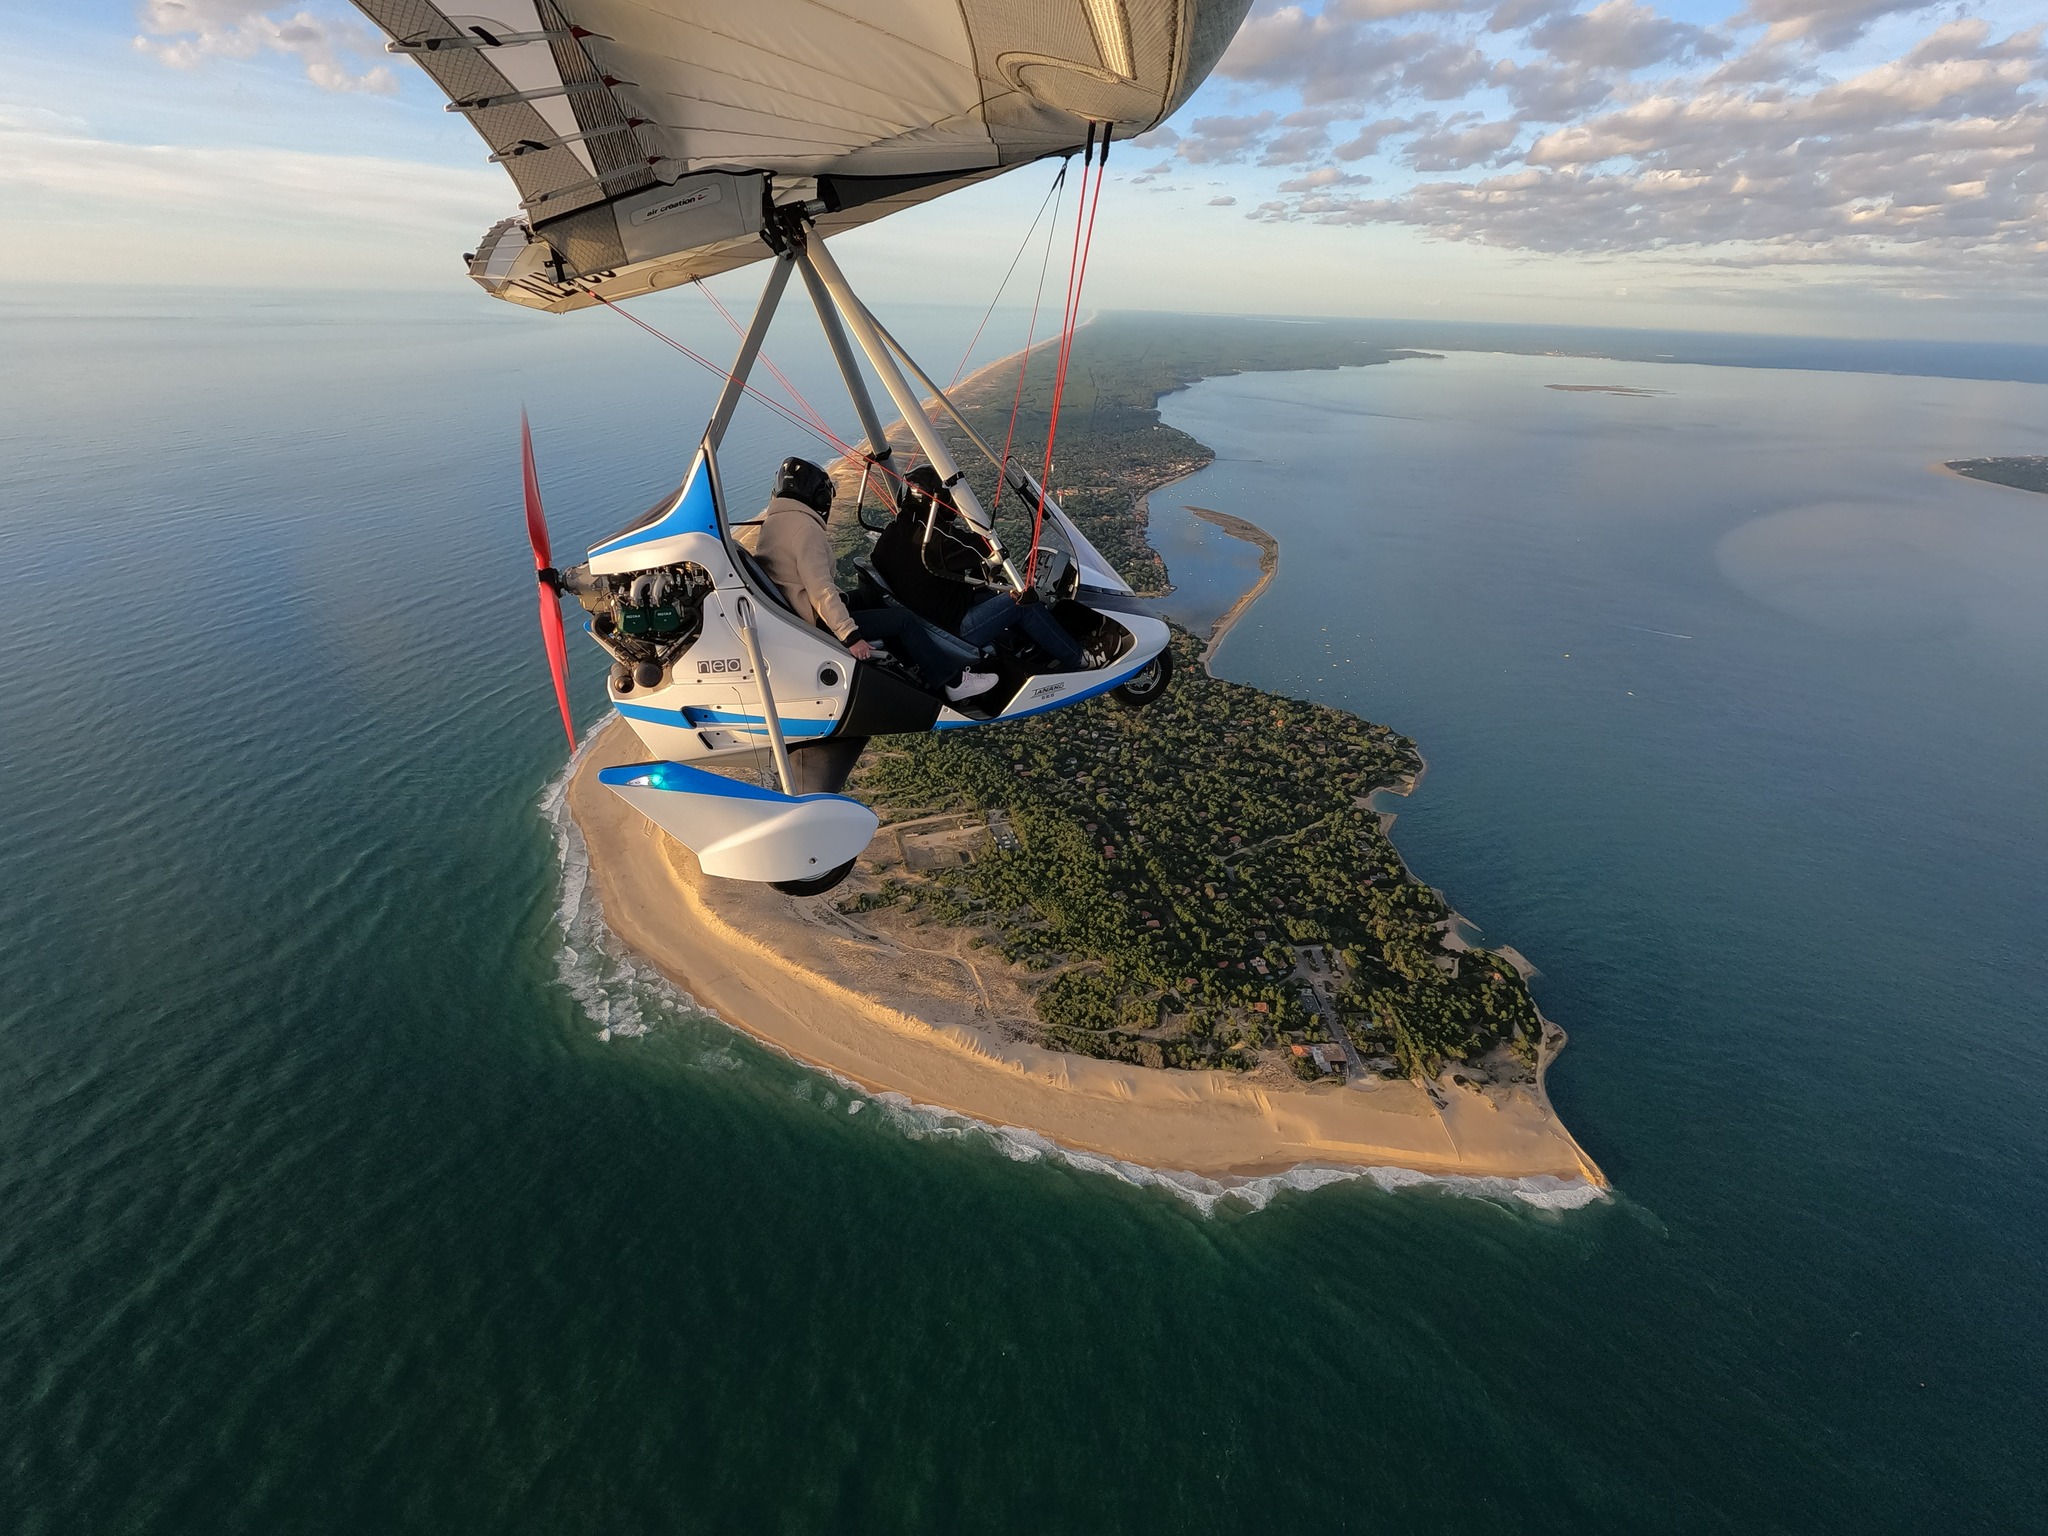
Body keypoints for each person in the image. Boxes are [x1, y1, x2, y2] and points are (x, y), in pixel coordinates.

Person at [736, 457, 996, 701]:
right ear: (819, 497)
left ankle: (912, 659)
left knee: (870, 599)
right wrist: (850, 636)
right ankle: (951, 682)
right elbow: (820, 590)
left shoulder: (775, 521)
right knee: (904, 620)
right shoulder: (806, 530)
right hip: (816, 618)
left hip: (799, 607)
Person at [874, 466, 1096, 672]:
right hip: (953, 633)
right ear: (940, 502)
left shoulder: (891, 533)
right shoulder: (934, 537)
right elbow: (986, 547)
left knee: (990, 591)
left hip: (927, 625)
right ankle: (1078, 659)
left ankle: (1033, 645)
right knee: (1019, 602)